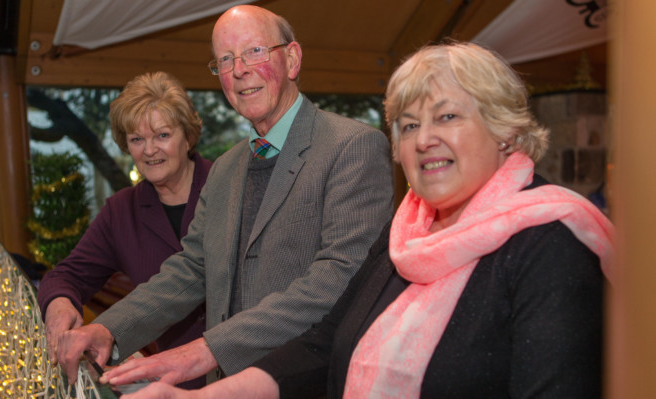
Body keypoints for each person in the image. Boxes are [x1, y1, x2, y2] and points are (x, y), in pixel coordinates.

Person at [122, 42, 614, 398]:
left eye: (447, 117)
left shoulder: (552, 244)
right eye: (408, 125)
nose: (423, 140)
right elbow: (323, 344)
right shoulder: (405, 231)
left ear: (504, 130)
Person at [56, 4, 393, 388]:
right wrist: (109, 330)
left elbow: (339, 278)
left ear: (292, 58)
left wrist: (207, 349)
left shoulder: (352, 147)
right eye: (225, 60)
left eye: (255, 51)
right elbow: (194, 267)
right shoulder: (227, 168)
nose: (240, 70)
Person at [37, 71, 212, 389]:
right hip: (172, 384)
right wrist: (59, 303)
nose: (149, 150)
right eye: (137, 139)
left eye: (162, 135)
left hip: (249, 376)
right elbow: (66, 276)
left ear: (187, 136)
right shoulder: (122, 210)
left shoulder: (228, 187)